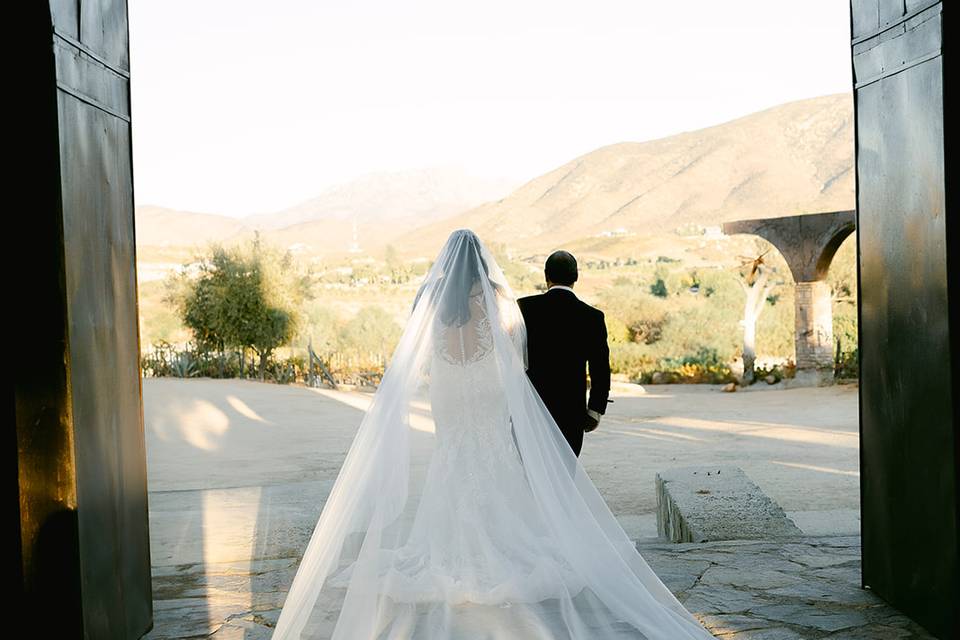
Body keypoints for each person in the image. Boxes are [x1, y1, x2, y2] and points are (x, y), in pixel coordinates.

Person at [270, 229, 716, 639]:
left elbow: (417, 351)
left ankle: (450, 546)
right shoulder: (498, 297)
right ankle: (499, 539)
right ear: (482, 263)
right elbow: (517, 356)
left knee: (452, 453)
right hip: (484, 384)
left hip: (447, 385)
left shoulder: (431, 296)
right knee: (492, 450)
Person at [518, 250, 611, 457]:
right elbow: (600, 369)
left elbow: (511, 358)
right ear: (576, 277)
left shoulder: (523, 308)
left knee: (531, 474)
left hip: (531, 408)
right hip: (572, 412)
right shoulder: (592, 317)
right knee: (565, 476)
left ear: (546, 276)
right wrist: (595, 410)